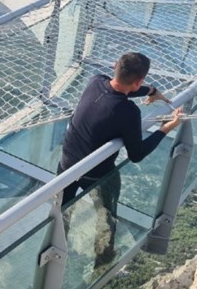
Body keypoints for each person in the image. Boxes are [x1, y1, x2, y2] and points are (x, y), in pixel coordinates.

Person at [58, 52, 182, 266]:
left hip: (66, 165)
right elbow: (136, 154)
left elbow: (116, 90)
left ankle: (56, 251)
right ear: (139, 80)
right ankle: (104, 257)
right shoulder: (128, 112)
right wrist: (166, 128)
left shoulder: (94, 81)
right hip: (94, 174)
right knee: (106, 215)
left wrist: (151, 91)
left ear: (115, 65)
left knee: (61, 211)